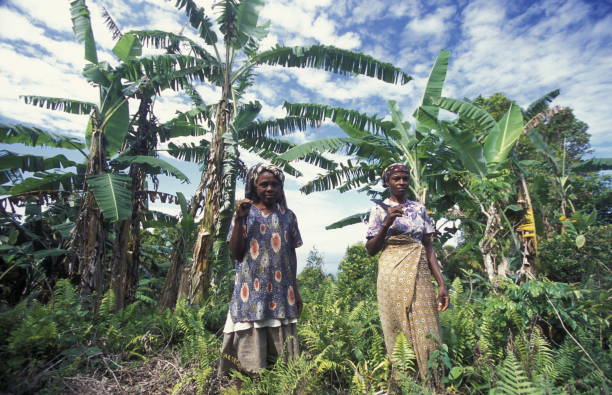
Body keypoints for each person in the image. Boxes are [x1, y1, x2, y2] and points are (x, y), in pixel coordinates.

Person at [365, 163, 448, 384]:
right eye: (396, 179)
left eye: (404, 178)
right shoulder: (379, 210)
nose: (401, 182)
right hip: (391, 272)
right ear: (387, 183)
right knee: (397, 324)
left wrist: (441, 283)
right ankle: (406, 382)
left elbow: (429, 247)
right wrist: (386, 224)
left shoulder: (419, 208)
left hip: (420, 271)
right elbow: (371, 249)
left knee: (426, 322)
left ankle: (433, 381)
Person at [218, 163, 303, 377]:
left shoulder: (289, 216)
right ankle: (250, 379)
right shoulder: (245, 214)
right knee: (249, 332)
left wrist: (295, 288)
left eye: (275, 184)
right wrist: (238, 219)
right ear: (254, 186)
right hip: (250, 292)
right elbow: (236, 253)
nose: (269, 189)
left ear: (281, 187)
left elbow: (291, 253)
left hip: (281, 291)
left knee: (283, 359)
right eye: (264, 184)